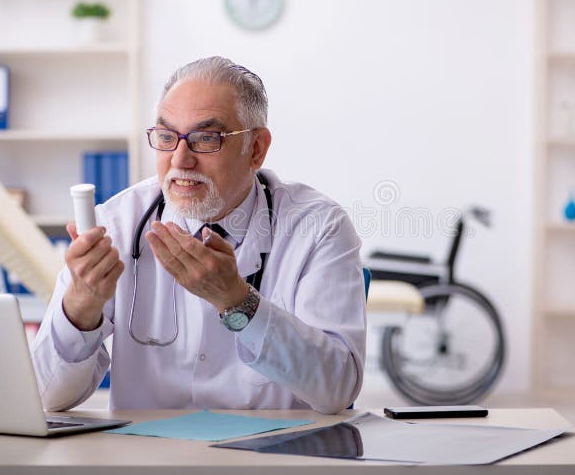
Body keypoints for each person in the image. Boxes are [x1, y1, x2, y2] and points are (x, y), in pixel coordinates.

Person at [31, 57, 366, 414]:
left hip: (272, 459)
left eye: (206, 139)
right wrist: (80, 306)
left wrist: (238, 302)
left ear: (255, 148)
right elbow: (46, 397)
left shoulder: (318, 228)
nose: (180, 159)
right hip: (150, 457)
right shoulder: (115, 226)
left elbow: (338, 389)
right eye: (166, 137)